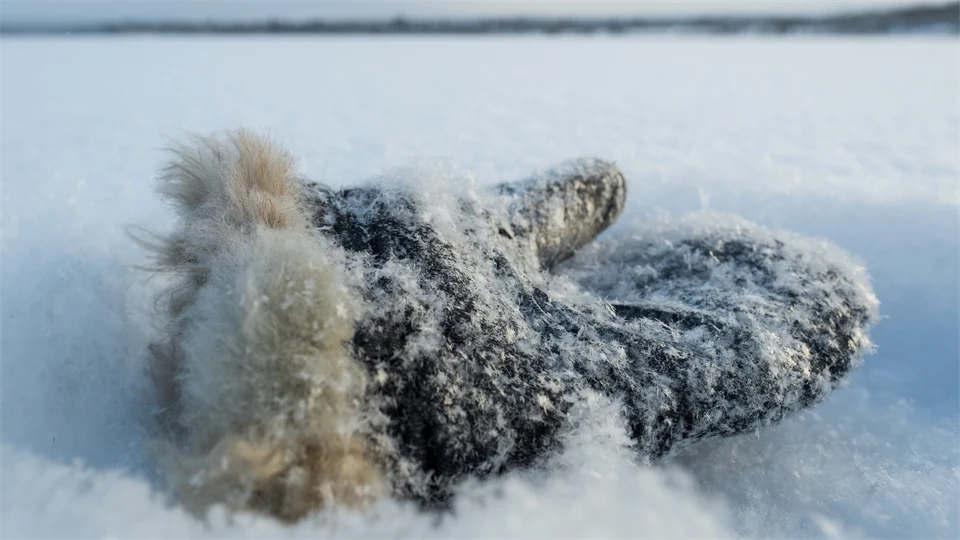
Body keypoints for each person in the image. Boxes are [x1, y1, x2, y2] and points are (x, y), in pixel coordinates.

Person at [142, 131, 878, 521]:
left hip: (320, 247)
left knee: (429, 235)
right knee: (812, 303)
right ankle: (355, 351)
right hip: (408, 387)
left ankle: (321, 261)